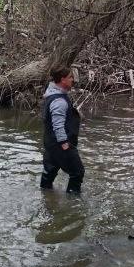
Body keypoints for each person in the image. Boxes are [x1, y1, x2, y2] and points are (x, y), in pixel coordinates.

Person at [39, 65, 84, 194]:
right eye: (70, 77)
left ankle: (46, 198)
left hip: (50, 143)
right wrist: (65, 144)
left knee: (49, 172)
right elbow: (58, 125)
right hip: (61, 145)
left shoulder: (51, 93)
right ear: (63, 79)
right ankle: (73, 202)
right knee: (77, 172)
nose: (72, 80)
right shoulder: (59, 101)